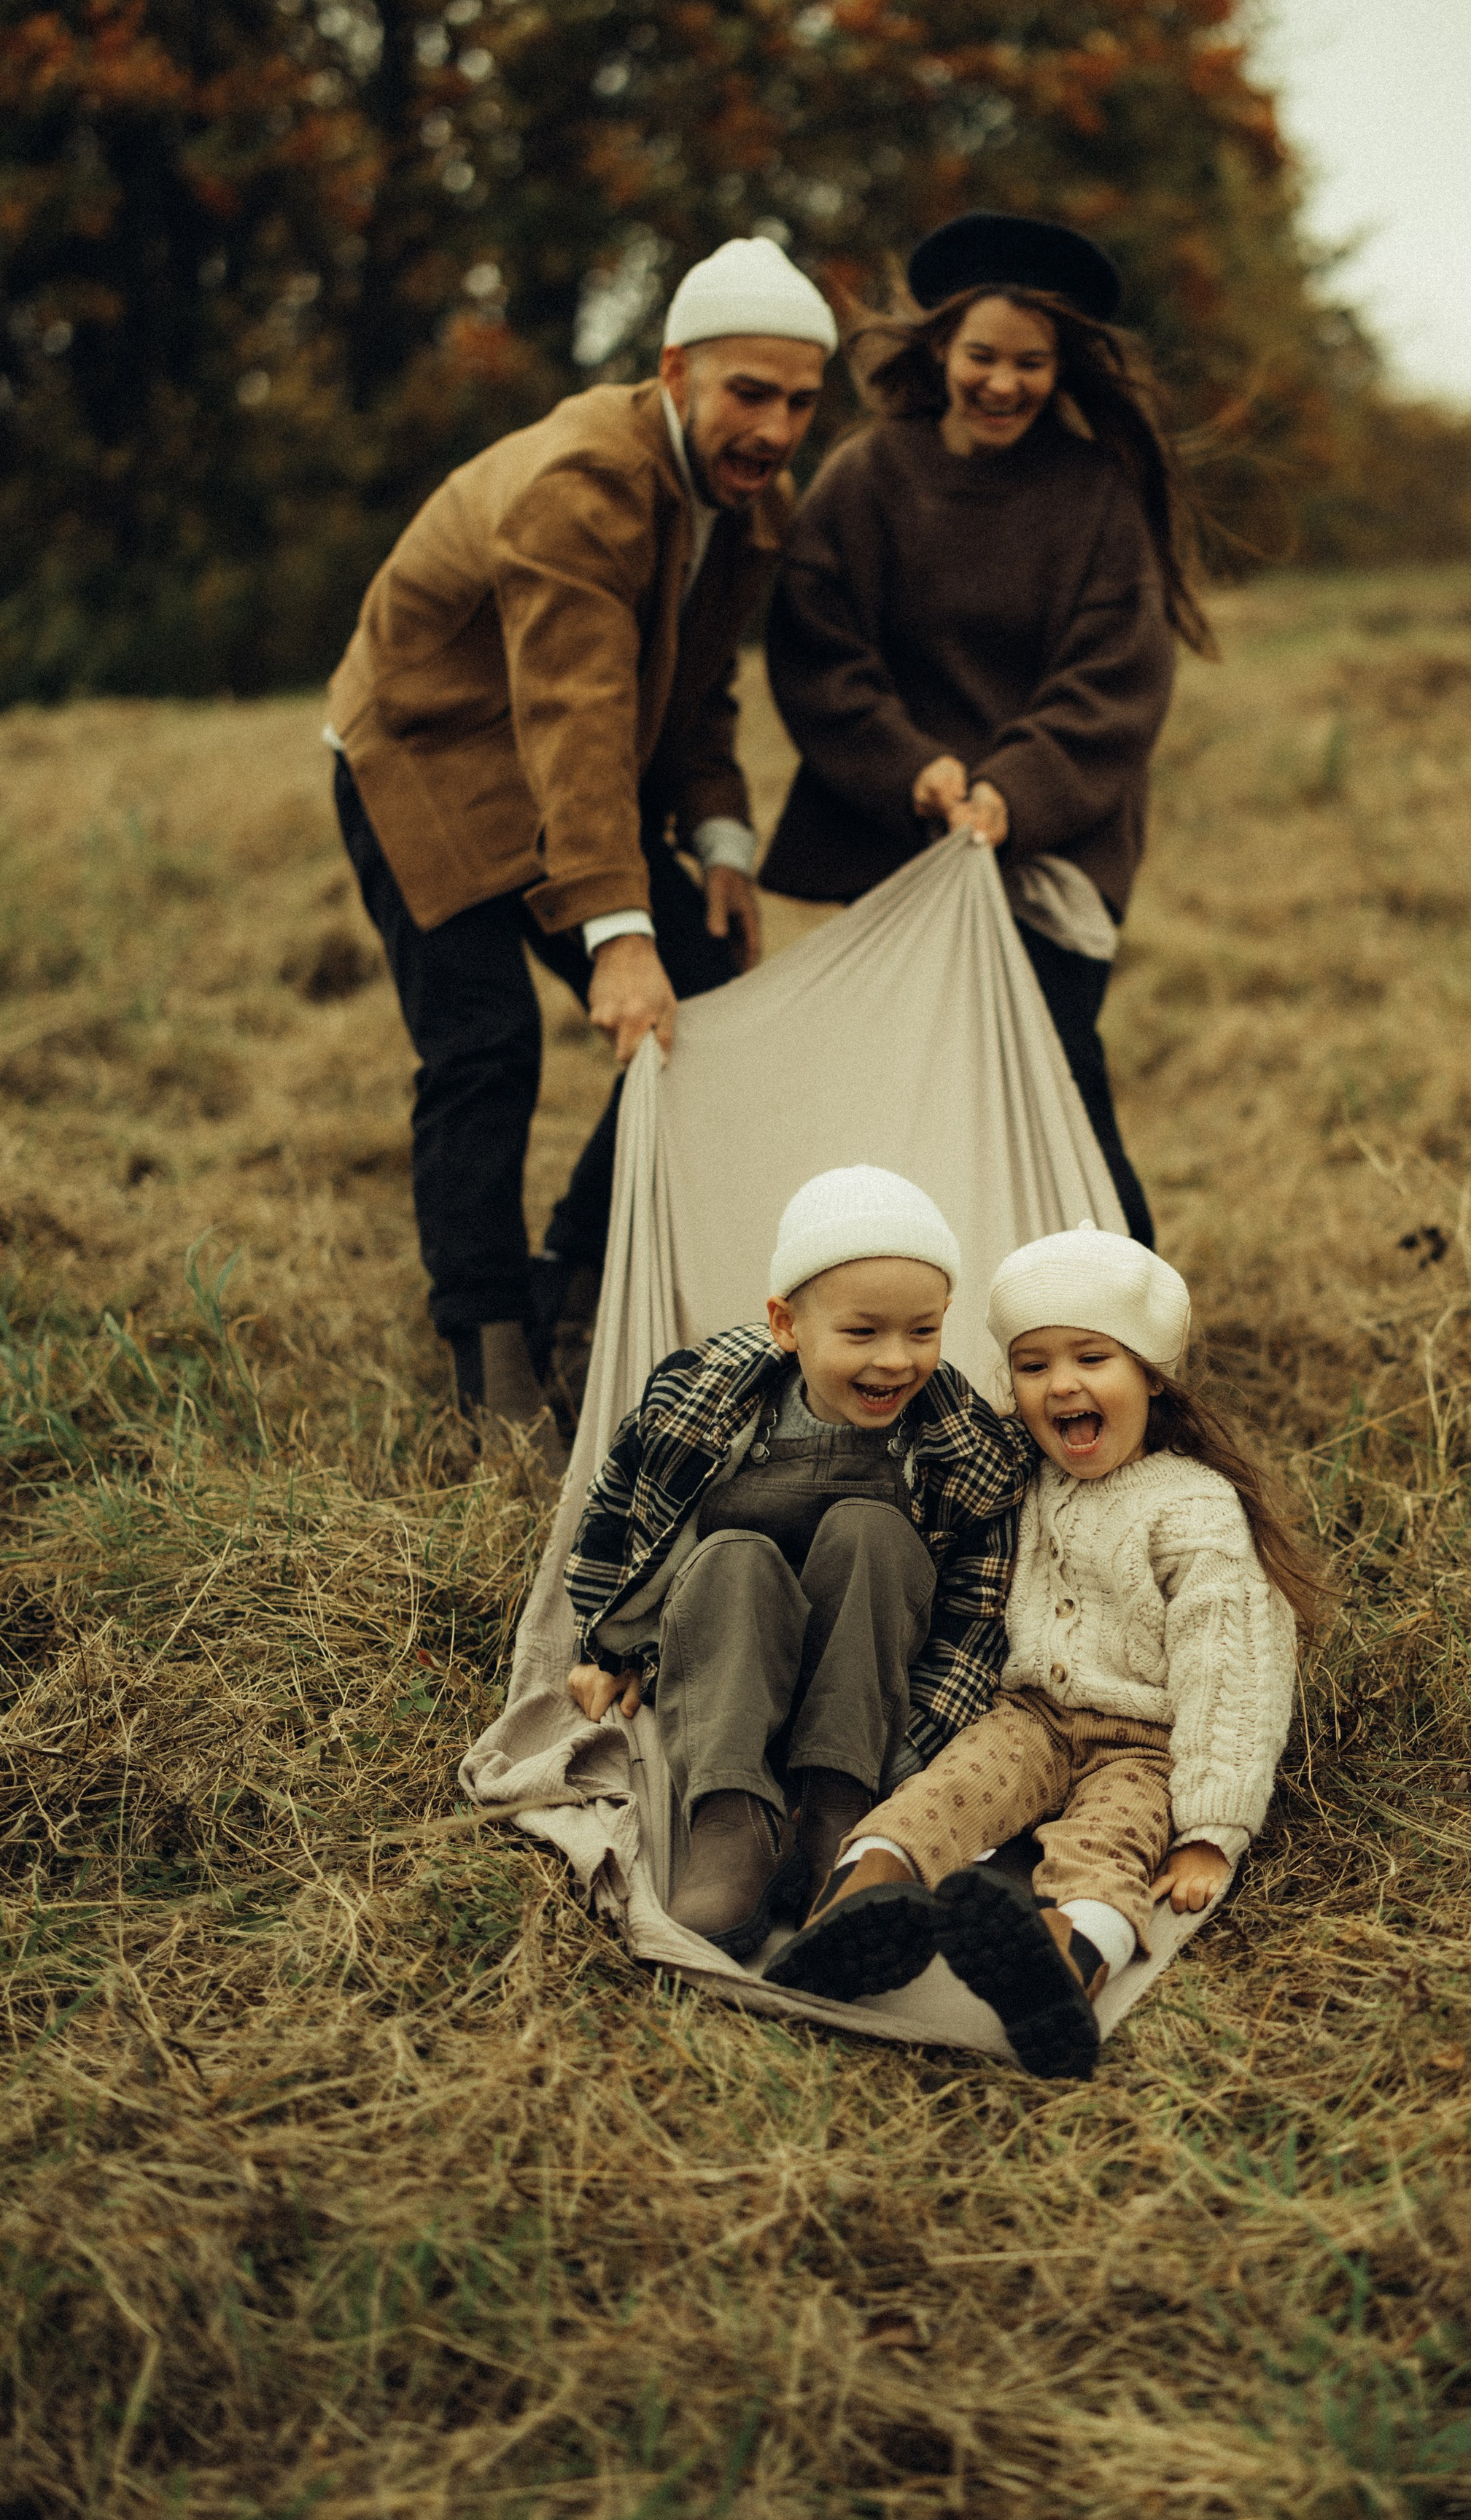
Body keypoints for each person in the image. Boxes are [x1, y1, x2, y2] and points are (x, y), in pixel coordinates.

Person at [326, 238, 839, 1453]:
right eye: (748, 393)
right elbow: (574, 716)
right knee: (486, 1040)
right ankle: (488, 1350)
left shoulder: (753, 507)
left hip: (573, 765)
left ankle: (568, 1271)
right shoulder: (582, 483)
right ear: (676, 373)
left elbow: (691, 695)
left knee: (708, 1003)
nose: (773, 427)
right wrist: (618, 936)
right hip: (429, 753)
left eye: (802, 401)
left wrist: (718, 844)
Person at [767, 1225, 1329, 2078]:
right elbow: (920, 1428)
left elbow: (1234, 1673)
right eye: (1033, 1367)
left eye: (1092, 1358)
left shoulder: (1193, 1509)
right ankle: (856, 1905)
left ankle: (1061, 1964)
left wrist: (1214, 1829)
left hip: (1141, 1744)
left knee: (1107, 1847)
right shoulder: (1019, 1471)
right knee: (942, 1795)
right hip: (1023, 1718)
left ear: (1148, 1373)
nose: (1061, 1384)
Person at [759, 211, 1213, 1246]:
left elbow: (1119, 674)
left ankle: (1128, 1334)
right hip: (901, 852)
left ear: (1063, 368)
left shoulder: (1097, 494)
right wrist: (914, 770)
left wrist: (1014, 790)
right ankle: (927, 1344)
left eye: (1031, 362)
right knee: (899, 1118)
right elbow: (819, 649)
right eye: (982, 356)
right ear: (938, 350)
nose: (1003, 383)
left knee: (1056, 1096)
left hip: (1048, 850)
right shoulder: (866, 477)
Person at [559, 1167, 1031, 1961]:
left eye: (923, 1332)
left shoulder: (956, 1444)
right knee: (733, 1558)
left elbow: (976, 1607)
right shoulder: (701, 1400)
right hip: (729, 1682)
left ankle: (830, 1816)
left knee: (871, 1533)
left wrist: (914, 1753)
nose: (894, 1361)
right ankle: (732, 1819)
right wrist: (606, 1645)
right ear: (786, 1325)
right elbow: (617, 1511)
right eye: (861, 1333)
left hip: (864, 1705)